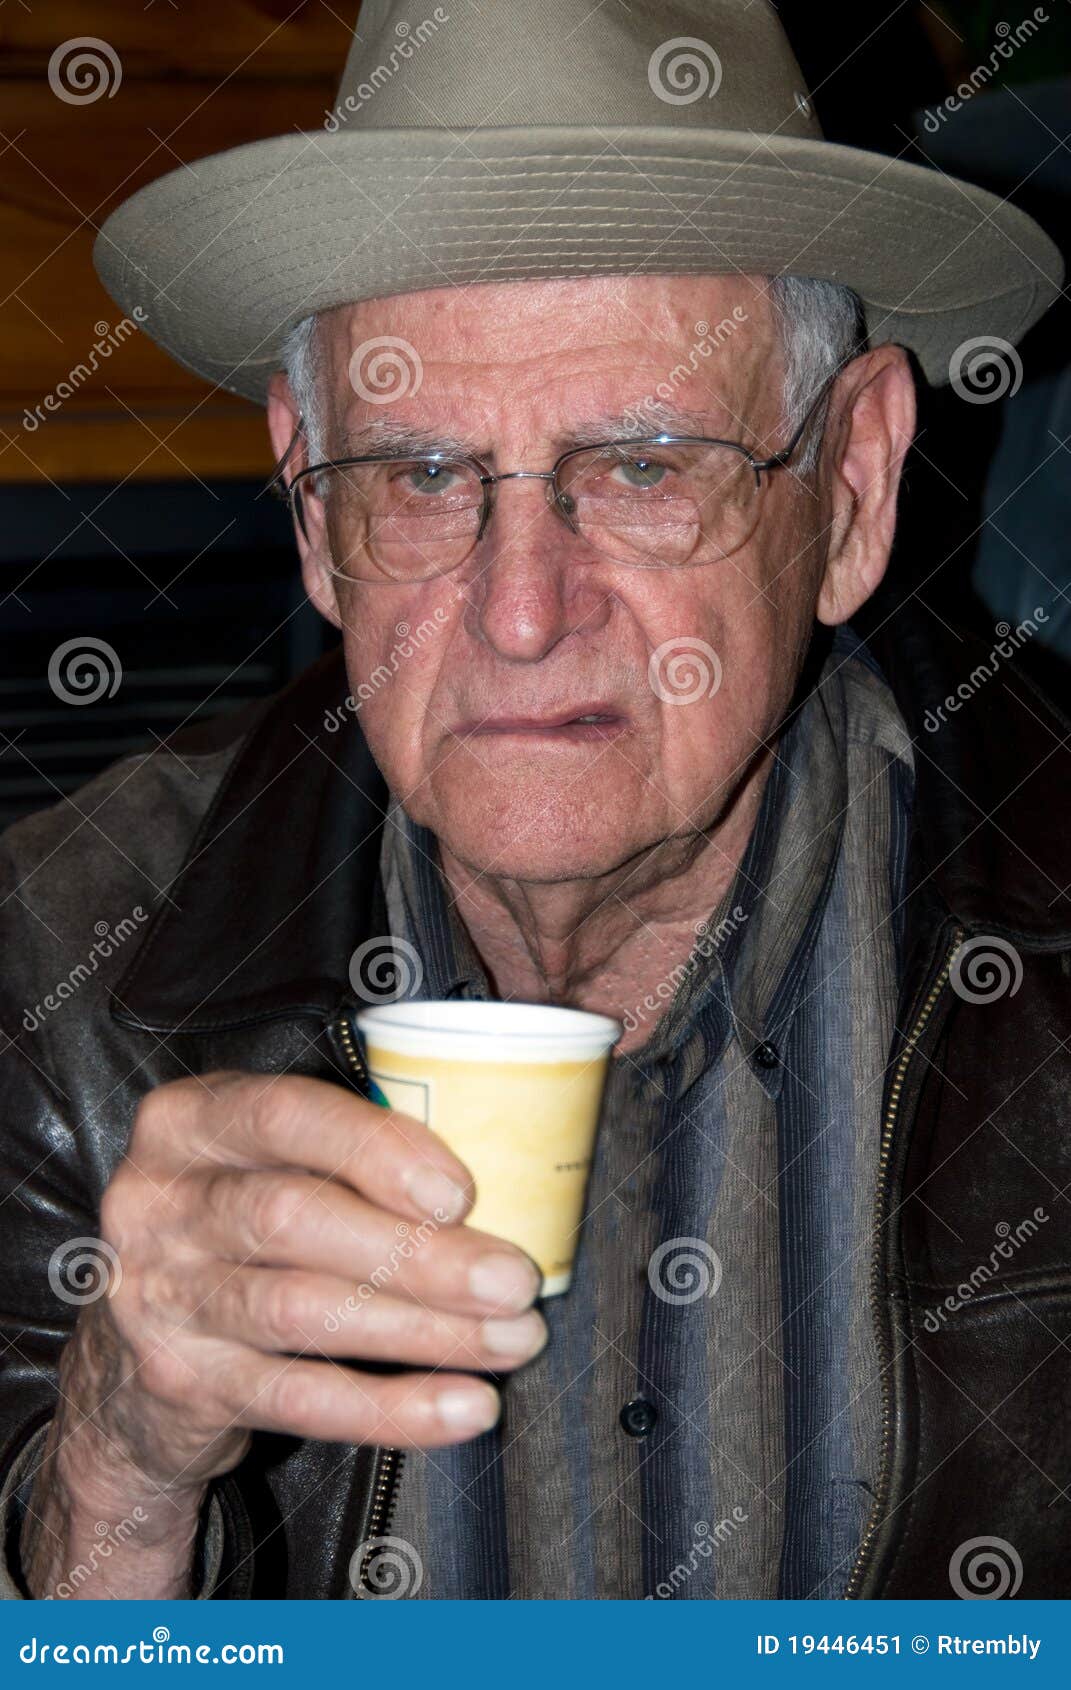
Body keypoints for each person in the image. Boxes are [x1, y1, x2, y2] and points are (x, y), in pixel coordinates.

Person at [1, 0, 1068, 1602]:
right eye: (424, 476)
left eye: (643, 465)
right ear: (310, 504)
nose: (518, 611)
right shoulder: (60, 973)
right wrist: (121, 1468)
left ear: (851, 489)